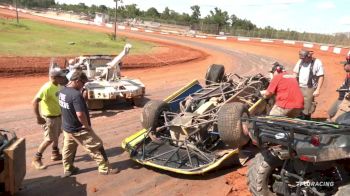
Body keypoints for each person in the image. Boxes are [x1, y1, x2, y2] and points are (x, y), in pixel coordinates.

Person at [58, 71, 118, 177]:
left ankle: (68, 169)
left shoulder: (63, 91)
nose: (83, 85)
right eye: (83, 83)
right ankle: (105, 168)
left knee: (68, 149)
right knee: (97, 146)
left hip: (67, 127)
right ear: (77, 81)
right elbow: (80, 114)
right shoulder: (76, 95)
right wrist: (86, 126)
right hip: (79, 128)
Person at [32, 67, 67, 170]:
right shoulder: (46, 88)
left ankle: (55, 153)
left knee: (57, 134)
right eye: (61, 77)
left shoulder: (58, 85)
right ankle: (36, 159)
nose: (63, 78)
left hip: (58, 116)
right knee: (49, 139)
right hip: (49, 118)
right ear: (54, 77)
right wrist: (38, 117)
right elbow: (34, 102)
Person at [293, 49, 325, 120]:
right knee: (297, 105)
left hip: (309, 88)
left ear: (309, 56)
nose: (302, 60)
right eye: (301, 58)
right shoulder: (300, 61)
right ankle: (298, 119)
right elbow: (295, 73)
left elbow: (321, 76)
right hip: (299, 86)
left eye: (304, 58)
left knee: (307, 108)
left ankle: (305, 120)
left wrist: (318, 89)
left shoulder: (317, 62)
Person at [328, 54, 350, 120]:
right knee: (331, 113)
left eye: (347, 63)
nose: (344, 66)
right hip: (341, 97)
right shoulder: (348, 74)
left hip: (346, 99)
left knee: (336, 119)